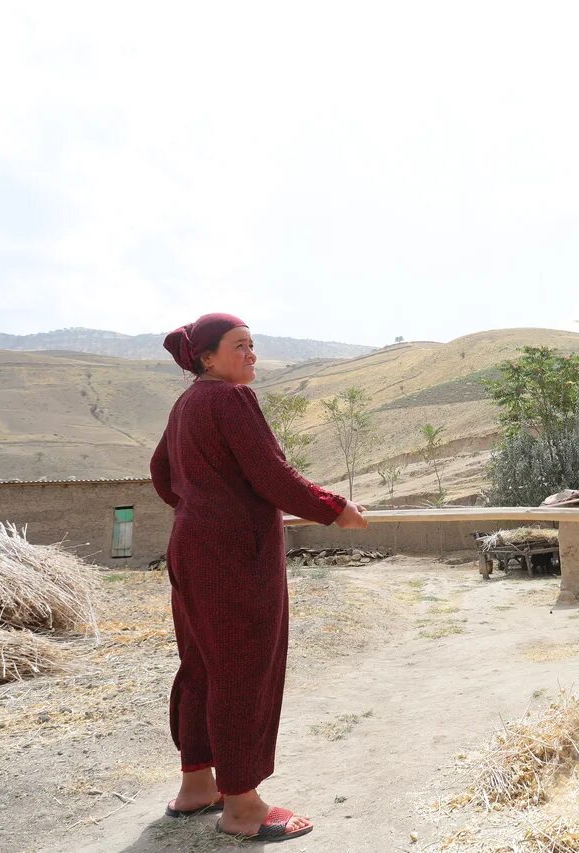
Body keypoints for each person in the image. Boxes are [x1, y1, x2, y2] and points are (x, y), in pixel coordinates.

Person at [149, 312, 367, 842]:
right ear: (207, 357)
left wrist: (202, 506)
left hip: (192, 545)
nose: (251, 354)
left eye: (253, 345)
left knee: (202, 663)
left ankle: (197, 786)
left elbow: (161, 474)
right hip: (233, 555)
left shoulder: (187, 405)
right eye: (239, 345)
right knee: (244, 667)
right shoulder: (228, 399)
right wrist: (333, 508)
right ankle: (243, 807)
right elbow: (271, 473)